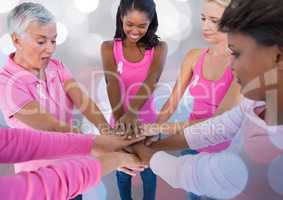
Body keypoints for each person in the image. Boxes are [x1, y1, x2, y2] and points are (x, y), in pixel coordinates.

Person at [132, 0, 283, 199]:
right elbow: (217, 127)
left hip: (216, 156)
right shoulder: (255, 104)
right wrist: (151, 139)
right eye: (203, 18)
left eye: (237, 54)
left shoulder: (269, 144)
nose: (232, 64)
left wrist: (141, 150)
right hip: (193, 148)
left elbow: (195, 174)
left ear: (277, 56)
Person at [0, 3, 145, 200]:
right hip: (41, 186)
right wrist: (108, 148)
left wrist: (108, 133)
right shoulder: (7, 83)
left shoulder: (57, 67)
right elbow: (53, 127)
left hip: (73, 179)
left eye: (53, 41)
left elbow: (83, 101)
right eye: (41, 42)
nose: (50, 49)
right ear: (17, 40)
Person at [101, 0, 167, 199]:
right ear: (121, 17)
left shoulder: (159, 48)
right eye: (130, 24)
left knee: (149, 174)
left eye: (142, 25)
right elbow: (112, 83)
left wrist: (132, 115)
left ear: (151, 22)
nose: (135, 31)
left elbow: (152, 78)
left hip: (147, 125)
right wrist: (123, 122)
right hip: (120, 121)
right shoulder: (108, 47)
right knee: (123, 175)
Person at [0, 128, 146, 200]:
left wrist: (96, 143)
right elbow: (43, 189)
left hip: (71, 180)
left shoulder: (57, 69)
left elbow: (19, 142)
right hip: (63, 181)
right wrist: (117, 159)